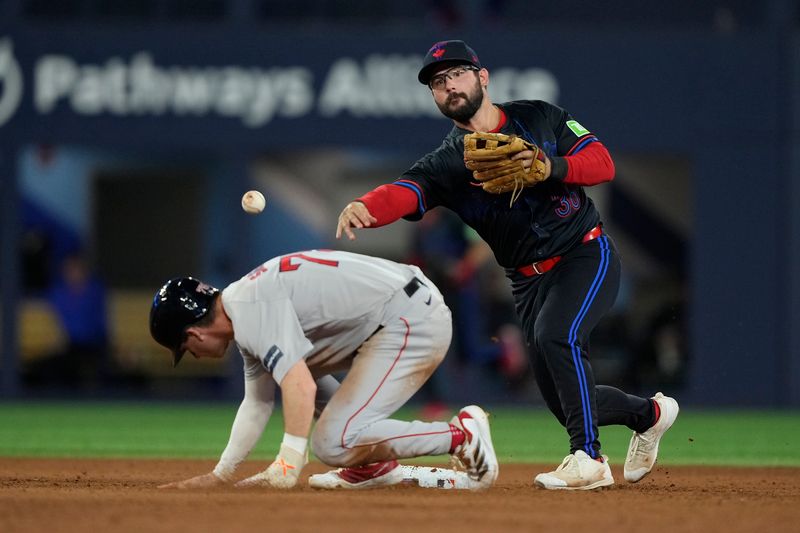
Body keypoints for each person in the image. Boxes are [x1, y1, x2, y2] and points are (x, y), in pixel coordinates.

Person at [335, 40, 679, 490]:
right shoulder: (447, 163)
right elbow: (406, 191)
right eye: (438, 83)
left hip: (584, 252)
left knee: (559, 336)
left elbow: (602, 164)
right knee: (564, 401)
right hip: (526, 279)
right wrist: (365, 205)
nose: (448, 86)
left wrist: (549, 167)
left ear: (482, 77)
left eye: (456, 74)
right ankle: (650, 415)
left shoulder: (538, 116)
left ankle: (588, 459)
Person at [149, 249, 498, 490]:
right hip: (401, 308)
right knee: (299, 382)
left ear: (193, 332)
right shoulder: (244, 307)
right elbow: (257, 404)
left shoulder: (250, 308)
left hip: (409, 318)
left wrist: (288, 462)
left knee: (332, 443)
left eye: (185, 349)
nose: (193, 355)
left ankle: (462, 436)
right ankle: (370, 465)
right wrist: (222, 475)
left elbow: (300, 386)